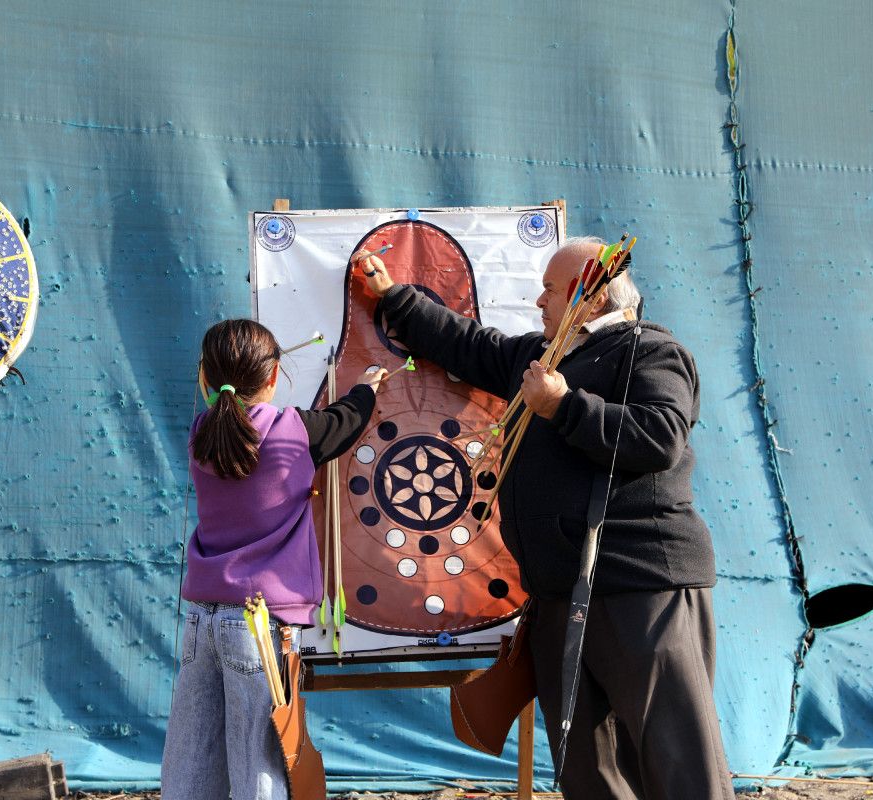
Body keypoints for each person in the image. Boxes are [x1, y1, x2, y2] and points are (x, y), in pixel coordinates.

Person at [353, 239, 735, 800]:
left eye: (552, 290)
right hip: (562, 594)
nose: (539, 300)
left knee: (678, 763)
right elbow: (468, 346)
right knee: (588, 770)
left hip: (641, 589)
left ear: (591, 294)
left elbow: (660, 436)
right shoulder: (543, 356)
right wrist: (393, 297)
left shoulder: (650, 351)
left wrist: (566, 407)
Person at [161, 318, 386, 800]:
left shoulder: (202, 433)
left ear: (206, 378)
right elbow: (345, 420)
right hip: (260, 628)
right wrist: (366, 387)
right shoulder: (294, 431)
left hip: (202, 619)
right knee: (258, 764)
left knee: (192, 759)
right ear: (273, 376)